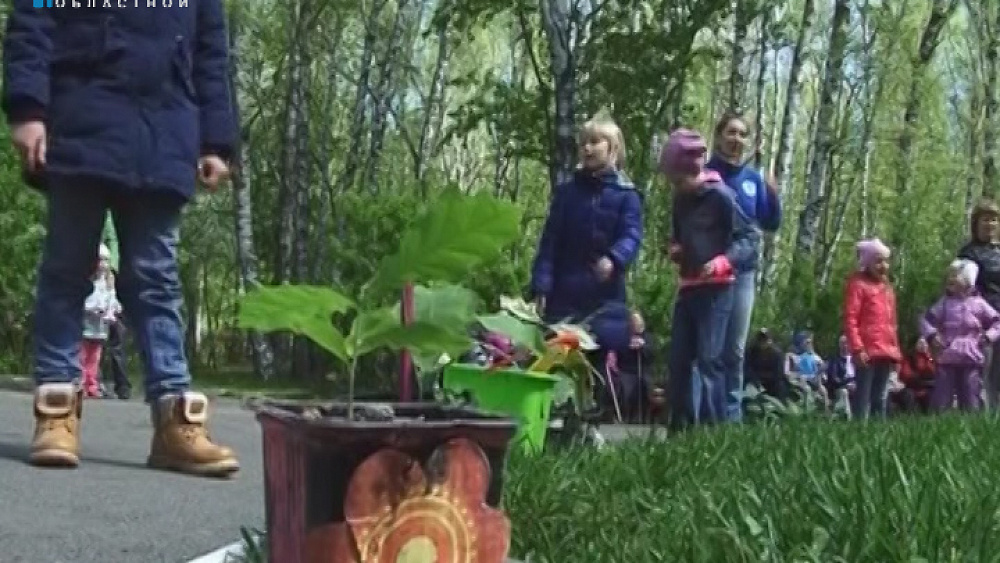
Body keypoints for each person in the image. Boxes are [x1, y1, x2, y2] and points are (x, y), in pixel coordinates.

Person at [3, 0, 240, 475]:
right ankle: (56, 409)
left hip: (165, 132)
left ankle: (175, 420)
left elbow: (212, 53)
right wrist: (28, 108)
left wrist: (216, 140)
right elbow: (35, 17)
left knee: (157, 280)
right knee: (67, 270)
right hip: (81, 119)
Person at [660, 128, 759, 429]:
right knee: (678, 359)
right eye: (674, 181)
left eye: (680, 179)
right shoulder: (680, 199)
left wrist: (722, 262)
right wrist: (676, 249)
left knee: (709, 359)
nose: (678, 186)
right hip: (688, 287)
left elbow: (749, 239)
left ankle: (712, 430)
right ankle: (678, 427)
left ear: (693, 170)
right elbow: (680, 236)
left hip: (717, 290)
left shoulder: (721, 197)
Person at [529, 114, 643, 368]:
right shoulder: (567, 194)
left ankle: (601, 406)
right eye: (583, 143)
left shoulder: (627, 196)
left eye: (594, 142)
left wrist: (614, 258)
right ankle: (562, 406)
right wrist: (541, 286)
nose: (587, 148)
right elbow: (550, 242)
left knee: (602, 355)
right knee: (557, 353)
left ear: (612, 148)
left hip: (606, 297)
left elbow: (632, 235)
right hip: (563, 294)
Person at [706, 112, 782, 422]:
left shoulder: (752, 179)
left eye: (742, 134)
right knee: (710, 349)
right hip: (709, 271)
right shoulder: (707, 173)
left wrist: (773, 194)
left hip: (744, 272)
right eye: (731, 133)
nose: (736, 140)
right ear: (719, 135)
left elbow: (770, 222)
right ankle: (705, 417)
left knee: (734, 351)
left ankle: (731, 419)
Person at [919, 259, 1000, 412]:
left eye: (955, 276)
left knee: (971, 394)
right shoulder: (944, 303)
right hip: (947, 355)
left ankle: (972, 423)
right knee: (942, 395)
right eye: (949, 275)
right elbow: (926, 320)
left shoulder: (979, 304)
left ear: (968, 280)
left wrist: (989, 336)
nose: (950, 279)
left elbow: (997, 321)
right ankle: (939, 422)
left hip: (971, 356)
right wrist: (931, 335)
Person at [843, 238, 901, 419]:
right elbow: (850, 318)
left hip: (885, 349)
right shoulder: (858, 285)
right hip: (867, 350)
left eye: (885, 261)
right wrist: (857, 348)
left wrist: (896, 351)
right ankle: (860, 430)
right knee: (863, 395)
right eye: (878, 261)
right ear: (867, 263)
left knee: (881, 395)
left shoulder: (886, 288)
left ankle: (878, 433)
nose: (883, 265)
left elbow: (892, 324)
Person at [957, 199, 1000, 409]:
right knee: (984, 371)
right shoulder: (969, 253)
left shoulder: (998, 251)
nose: (990, 224)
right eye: (985, 219)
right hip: (982, 320)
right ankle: (983, 418)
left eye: (994, 219)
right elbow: (962, 288)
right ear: (976, 223)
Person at [81, 244, 120, 398]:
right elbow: (83, 302)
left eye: (106, 260)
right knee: (82, 356)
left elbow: (112, 299)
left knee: (95, 358)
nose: (103, 264)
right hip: (86, 325)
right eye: (100, 260)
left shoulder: (108, 283)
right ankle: (81, 384)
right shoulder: (88, 282)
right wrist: (93, 308)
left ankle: (92, 384)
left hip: (100, 328)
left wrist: (114, 308)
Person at [784, 330, 828, 405]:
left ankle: (826, 412)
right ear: (800, 342)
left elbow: (823, 370)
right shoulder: (791, 356)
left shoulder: (814, 356)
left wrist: (820, 372)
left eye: (810, 343)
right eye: (807, 342)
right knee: (807, 389)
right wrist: (798, 376)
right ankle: (807, 413)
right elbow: (787, 373)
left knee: (822, 390)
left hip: (814, 381)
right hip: (800, 381)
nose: (809, 345)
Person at [744, 328, 787, 400]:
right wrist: (754, 379)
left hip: (771, 383)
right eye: (760, 339)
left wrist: (762, 378)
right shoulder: (751, 351)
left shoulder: (777, 354)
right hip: (755, 381)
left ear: (770, 340)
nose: (763, 342)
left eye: (765, 340)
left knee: (780, 385)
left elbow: (778, 373)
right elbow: (747, 368)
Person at [897, 337, 935, 412]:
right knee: (908, 395)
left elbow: (933, 370)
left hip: (927, 387)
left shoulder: (930, 357)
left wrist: (927, 357)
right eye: (920, 343)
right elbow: (905, 374)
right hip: (913, 387)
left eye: (925, 343)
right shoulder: (910, 357)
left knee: (932, 394)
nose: (923, 345)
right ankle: (908, 416)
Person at [825, 335, 856, 413]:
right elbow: (834, 378)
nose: (845, 345)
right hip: (840, 387)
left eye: (847, 343)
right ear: (839, 345)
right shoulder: (835, 360)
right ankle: (848, 417)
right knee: (844, 392)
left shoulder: (856, 359)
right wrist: (847, 384)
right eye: (842, 343)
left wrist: (856, 384)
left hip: (856, 385)